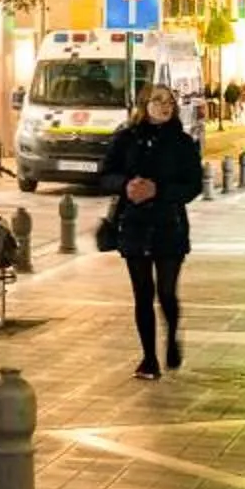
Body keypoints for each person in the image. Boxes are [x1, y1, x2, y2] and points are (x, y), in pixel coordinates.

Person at [98, 83, 204, 379]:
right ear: (144, 105)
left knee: (166, 292)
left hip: (169, 224)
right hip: (134, 224)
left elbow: (193, 184)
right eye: (158, 100)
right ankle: (148, 358)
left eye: (169, 101)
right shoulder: (126, 139)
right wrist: (125, 186)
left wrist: (160, 190)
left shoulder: (182, 142)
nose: (165, 105)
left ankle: (171, 339)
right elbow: (105, 175)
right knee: (142, 294)